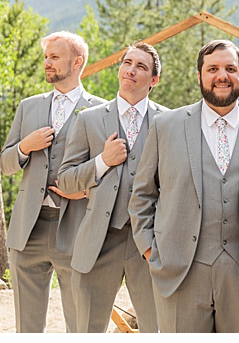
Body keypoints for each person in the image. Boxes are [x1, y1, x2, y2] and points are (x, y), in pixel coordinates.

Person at [129, 39, 239, 332]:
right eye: (213, 69)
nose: (222, 75)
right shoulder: (165, 127)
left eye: (230, 68)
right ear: (200, 76)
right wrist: (150, 251)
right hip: (178, 273)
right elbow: (143, 195)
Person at [0, 31, 107, 332]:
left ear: (77, 62)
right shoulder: (28, 107)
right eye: (46, 57)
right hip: (27, 230)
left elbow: (112, 172)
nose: (47, 63)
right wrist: (24, 147)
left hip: (77, 228)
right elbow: (4, 165)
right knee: (27, 328)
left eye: (55, 57)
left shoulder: (101, 110)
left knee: (81, 325)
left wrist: (84, 191)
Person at [56, 42, 165, 332]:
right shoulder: (89, 119)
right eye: (127, 62)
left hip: (151, 246)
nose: (131, 70)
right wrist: (102, 161)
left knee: (159, 330)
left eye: (141, 66)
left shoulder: (169, 122)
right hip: (98, 243)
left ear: (153, 80)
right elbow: (65, 179)